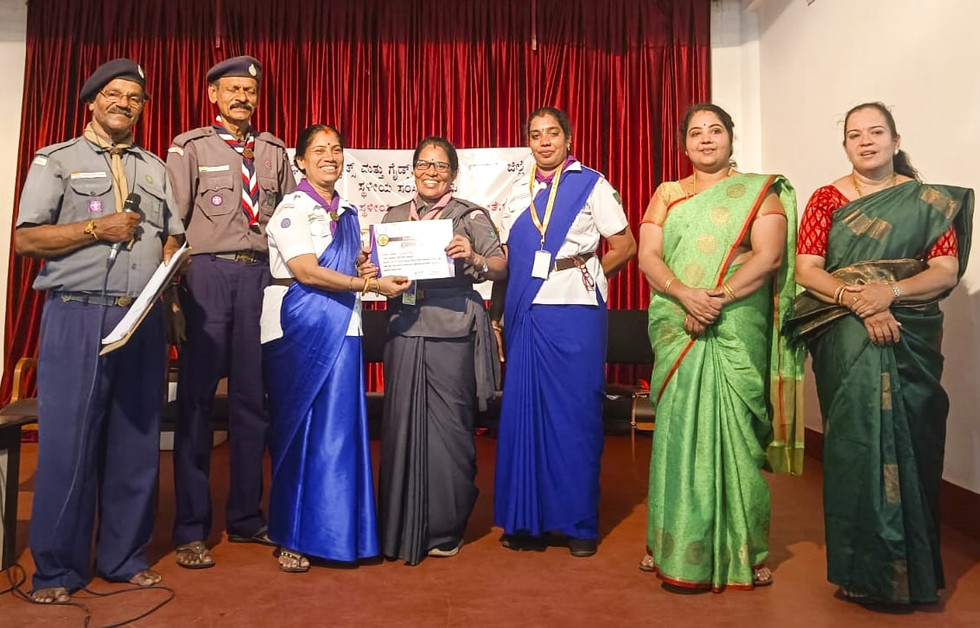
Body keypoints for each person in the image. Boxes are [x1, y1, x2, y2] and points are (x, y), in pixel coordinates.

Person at [14, 59, 184, 603]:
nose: (124, 105)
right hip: (78, 313)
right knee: (68, 444)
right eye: (113, 95)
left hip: (141, 318)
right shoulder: (56, 161)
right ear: (91, 101)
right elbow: (26, 240)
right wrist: (96, 227)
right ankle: (57, 571)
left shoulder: (155, 168)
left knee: (137, 441)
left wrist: (170, 257)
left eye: (134, 98)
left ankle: (122, 556)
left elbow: (171, 237)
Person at [790, 102, 973, 605]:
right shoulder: (826, 199)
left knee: (912, 437)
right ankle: (862, 571)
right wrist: (858, 300)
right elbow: (807, 269)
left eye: (876, 132)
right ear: (845, 145)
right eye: (855, 135)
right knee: (856, 443)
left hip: (911, 326)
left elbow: (943, 270)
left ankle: (913, 571)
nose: (866, 141)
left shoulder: (927, 202)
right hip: (841, 325)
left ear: (896, 139)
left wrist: (888, 295)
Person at [636, 103, 802, 591]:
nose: (705, 139)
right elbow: (648, 256)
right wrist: (685, 294)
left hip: (734, 323)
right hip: (677, 320)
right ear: (683, 144)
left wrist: (717, 298)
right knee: (676, 435)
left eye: (715, 130)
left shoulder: (758, 192)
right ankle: (667, 543)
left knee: (737, 437)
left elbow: (769, 256)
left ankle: (745, 550)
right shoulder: (667, 194)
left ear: (731, 137)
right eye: (695, 133)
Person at [166, 55, 296, 569]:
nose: (242, 97)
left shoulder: (273, 151)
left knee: (251, 402)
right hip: (207, 276)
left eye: (250, 90)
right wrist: (174, 291)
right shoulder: (190, 146)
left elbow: (289, 217)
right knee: (196, 404)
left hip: (259, 278)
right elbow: (172, 222)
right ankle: (190, 528)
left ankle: (245, 518)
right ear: (214, 95)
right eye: (232, 89)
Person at [261, 124, 410, 572]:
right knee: (302, 431)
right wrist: (367, 282)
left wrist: (374, 265)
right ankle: (291, 534)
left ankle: (343, 533)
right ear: (301, 161)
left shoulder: (346, 212)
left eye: (337, 149)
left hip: (345, 326)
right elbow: (307, 271)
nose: (330, 156)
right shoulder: (292, 209)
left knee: (340, 433)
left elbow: (350, 263)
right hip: (300, 322)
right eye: (319, 150)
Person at [493, 107, 636, 558]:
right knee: (524, 415)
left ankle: (577, 524)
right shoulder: (516, 190)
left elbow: (626, 244)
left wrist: (592, 270)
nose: (544, 142)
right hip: (525, 309)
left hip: (575, 308)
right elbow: (505, 256)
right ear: (528, 142)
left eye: (552, 133)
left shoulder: (591, 183)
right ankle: (526, 521)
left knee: (574, 418)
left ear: (568, 138)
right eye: (535, 135)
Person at [376, 136, 507, 565]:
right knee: (400, 429)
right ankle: (399, 523)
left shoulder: (469, 215)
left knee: (450, 432)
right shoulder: (395, 216)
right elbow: (377, 269)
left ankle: (445, 524)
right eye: (424, 164)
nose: (431, 172)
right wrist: (368, 268)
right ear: (412, 169)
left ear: (453, 172)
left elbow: (502, 264)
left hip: (452, 327)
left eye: (440, 166)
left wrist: (474, 256)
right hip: (404, 327)